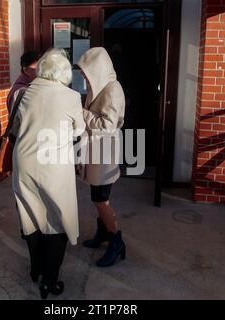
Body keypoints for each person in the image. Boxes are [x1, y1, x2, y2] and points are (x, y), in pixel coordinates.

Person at [10, 49, 86, 299]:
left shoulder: (22, 93)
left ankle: (36, 270)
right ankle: (49, 282)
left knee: (31, 216)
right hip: (53, 166)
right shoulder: (71, 96)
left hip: (24, 162)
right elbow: (79, 130)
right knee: (57, 220)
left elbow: (16, 128)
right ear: (64, 73)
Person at [76, 47, 126, 267]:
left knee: (100, 198)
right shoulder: (98, 87)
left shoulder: (112, 89)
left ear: (98, 69)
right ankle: (103, 233)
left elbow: (106, 125)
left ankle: (116, 239)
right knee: (98, 196)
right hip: (97, 150)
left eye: (86, 71)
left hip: (105, 151)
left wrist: (80, 111)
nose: (84, 76)